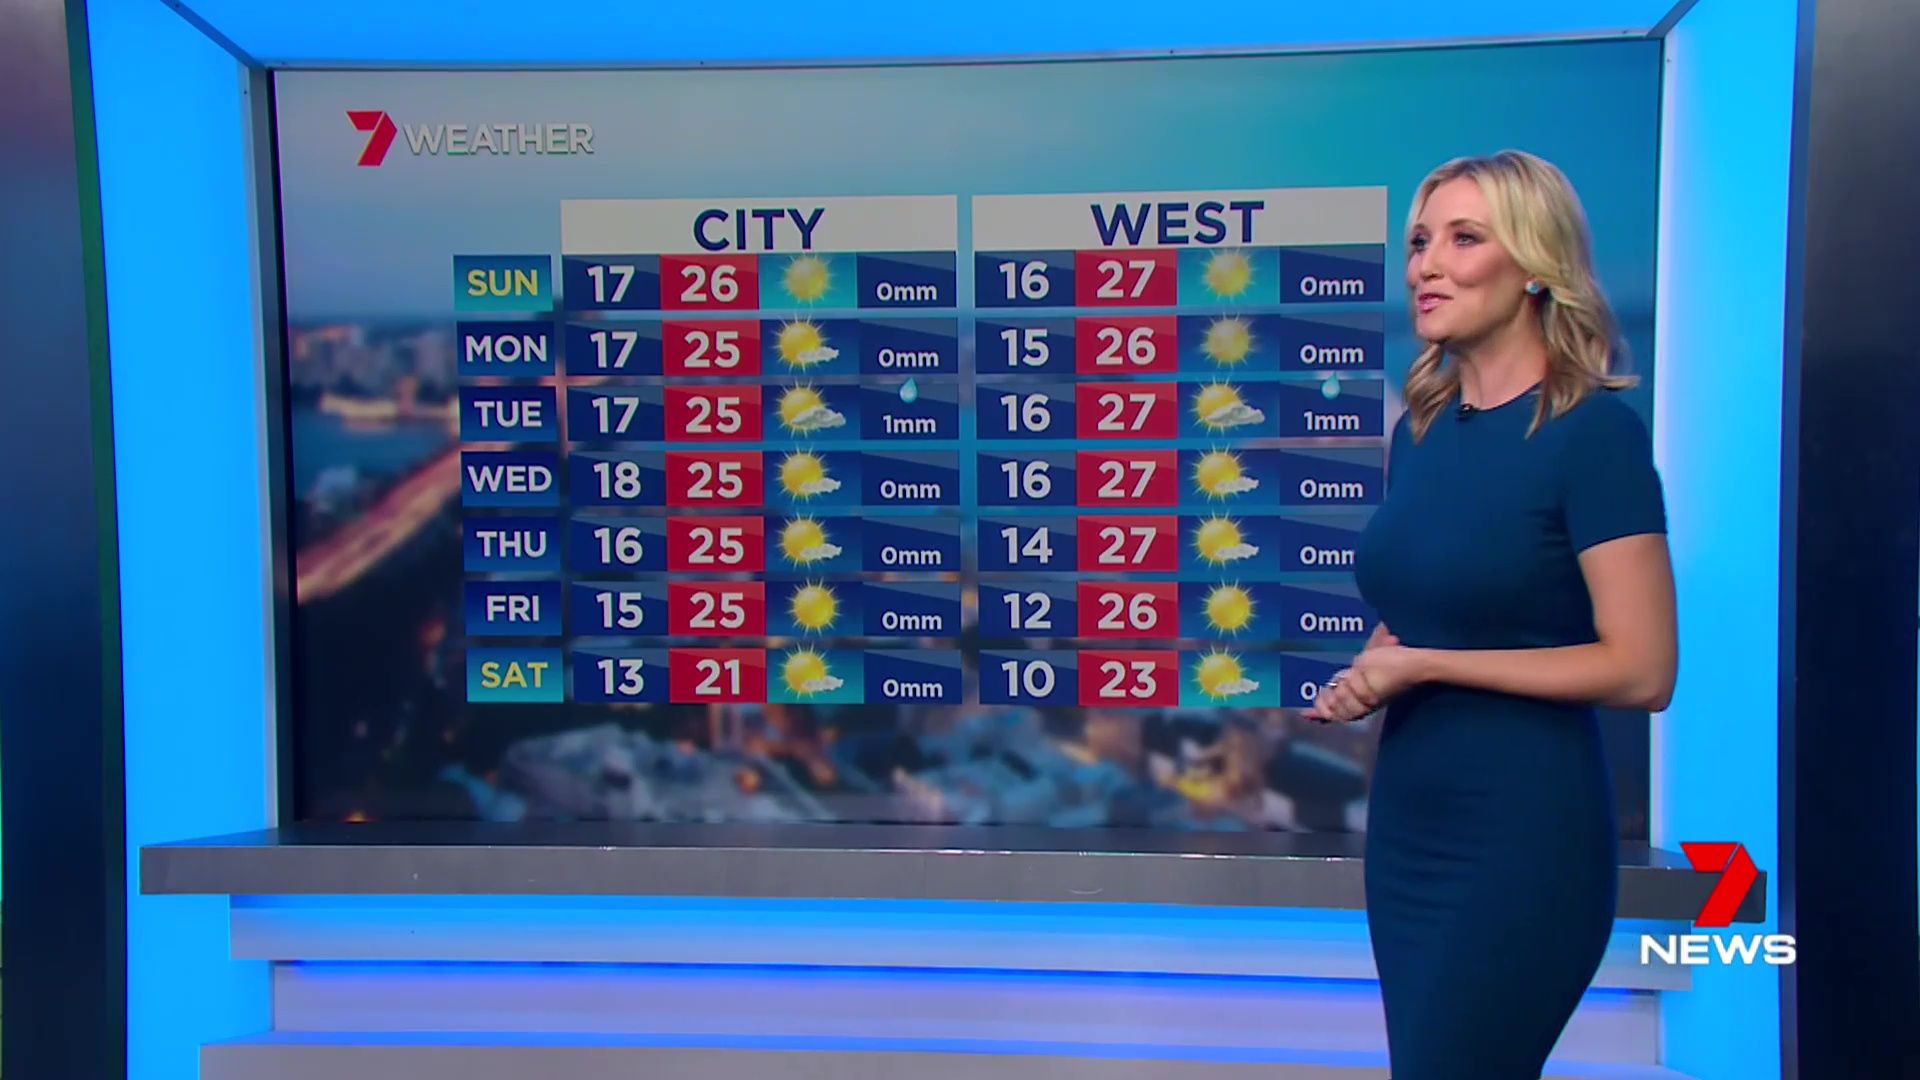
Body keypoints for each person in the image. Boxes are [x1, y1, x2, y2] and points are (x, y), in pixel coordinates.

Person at [1304, 150, 1678, 1078]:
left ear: (1536, 267)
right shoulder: (1421, 431)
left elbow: (1643, 668)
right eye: (1419, 242)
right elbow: (1435, 606)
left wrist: (1427, 667)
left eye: (1464, 239)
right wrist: (1372, 671)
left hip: (1522, 836)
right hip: (1410, 827)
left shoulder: (1593, 435)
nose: (1427, 265)